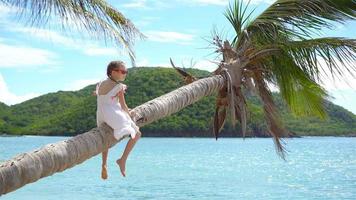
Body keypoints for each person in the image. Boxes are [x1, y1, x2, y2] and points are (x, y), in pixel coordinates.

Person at [95, 60, 141, 179]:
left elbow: (103, 98)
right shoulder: (119, 87)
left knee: (105, 138)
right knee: (137, 134)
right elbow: (123, 105)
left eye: (125, 71)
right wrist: (129, 115)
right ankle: (122, 160)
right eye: (122, 71)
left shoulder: (101, 83)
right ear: (112, 72)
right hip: (113, 114)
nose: (124, 73)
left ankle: (104, 164)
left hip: (101, 114)